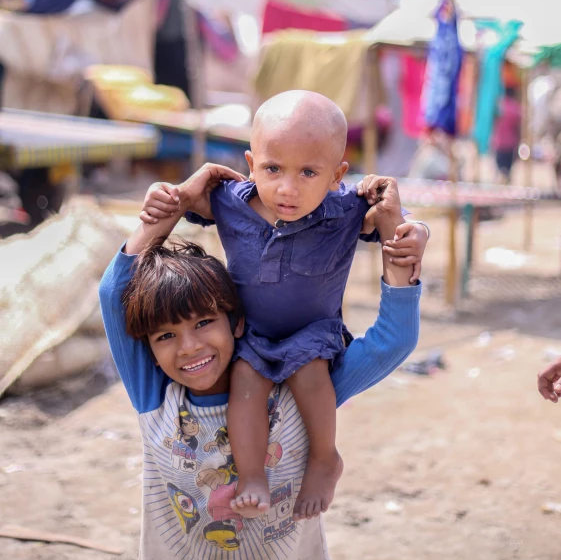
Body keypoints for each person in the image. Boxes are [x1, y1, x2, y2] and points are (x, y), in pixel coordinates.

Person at [99, 163, 422, 560]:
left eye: (203, 323)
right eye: (166, 336)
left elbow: (393, 340)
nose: (189, 347)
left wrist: (397, 244)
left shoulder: (296, 390)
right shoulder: (155, 396)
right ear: (148, 348)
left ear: (236, 323)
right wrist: (176, 203)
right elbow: (113, 293)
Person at [141, 91, 429, 521]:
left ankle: (325, 458)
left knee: (311, 377)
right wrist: (168, 193)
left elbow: (395, 222)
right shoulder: (230, 202)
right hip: (251, 336)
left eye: (309, 172)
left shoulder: (345, 210)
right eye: (272, 168)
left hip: (313, 335)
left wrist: (417, 231)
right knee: (244, 389)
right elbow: (183, 201)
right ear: (250, 162)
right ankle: (253, 475)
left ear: (337, 175)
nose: (287, 188)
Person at [492, 86, 522, 183]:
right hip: (510, 143)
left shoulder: (499, 106)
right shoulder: (516, 107)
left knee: (500, 169)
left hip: (499, 142)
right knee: (507, 171)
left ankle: (501, 188)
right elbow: (518, 126)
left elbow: (493, 122)